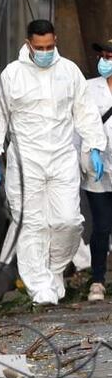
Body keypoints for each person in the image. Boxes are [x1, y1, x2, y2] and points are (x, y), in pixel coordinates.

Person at [0, 20, 106, 305]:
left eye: (50, 46)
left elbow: (85, 112)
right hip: (26, 161)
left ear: (56, 40)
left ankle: (54, 270)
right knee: (31, 224)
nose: (45, 52)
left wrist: (95, 147)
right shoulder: (12, 75)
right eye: (40, 48)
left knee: (69, 221)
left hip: (62, 157)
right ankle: (39, 286)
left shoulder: (69, 72)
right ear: (28, 44)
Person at [82, 39, 112, 302]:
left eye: (110, 57)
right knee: (102, 226)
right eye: (104, 56)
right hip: (98, 170)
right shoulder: (89, 89)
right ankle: (98, 280)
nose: (105, 61)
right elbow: (79, 125)